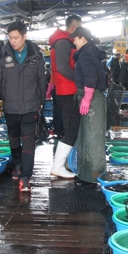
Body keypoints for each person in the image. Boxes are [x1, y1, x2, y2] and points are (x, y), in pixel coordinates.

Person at [0, 21, 47, 192]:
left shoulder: (36, 56)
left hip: (30, 107)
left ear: (24, 36)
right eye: (10, 38)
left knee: (28, 142)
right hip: (10, 107)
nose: (12, 41)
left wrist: (41, 103)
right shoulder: (2, 56)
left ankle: (26, 176)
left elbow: (42, 82)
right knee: (14, 140)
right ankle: (17, 164)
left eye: (16, 38)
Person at [70, 27, 107, 184]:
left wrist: (87, 98)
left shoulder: (85, 55)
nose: (73, 41)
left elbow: (90, 76)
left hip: (92, 101)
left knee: (92, 138)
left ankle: (93, 175)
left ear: (83, 38)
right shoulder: (90, 53)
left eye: (75, 38)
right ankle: (86, 173)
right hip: (91, 99)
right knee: (86, 136)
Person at [47, 14, 82, 178]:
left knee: (71, 129)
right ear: (74, 28)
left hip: (67, 91)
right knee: (71, 131)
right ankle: (58, 166)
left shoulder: (63, 42)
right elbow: (62, 67)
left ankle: (62, 164)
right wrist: (79, 78)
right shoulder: (62, 43)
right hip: (66, 92)